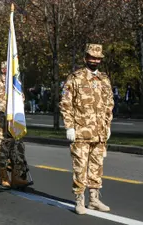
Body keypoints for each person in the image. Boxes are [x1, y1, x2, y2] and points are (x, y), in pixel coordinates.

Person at [60, 44, 114, 215]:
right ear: (85, 58)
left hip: (99, 133)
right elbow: (66, 104)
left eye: (98, 58)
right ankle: (79, 200)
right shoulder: (75, 78)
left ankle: (94, 199)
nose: (95, 60)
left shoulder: (104, 79)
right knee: (80, 167)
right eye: (92, 57)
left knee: (97, 167)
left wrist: (107, 126)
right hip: (81, 132)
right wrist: (69, 126)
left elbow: (109, 105)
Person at [0, 61, 29, 187]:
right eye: (7, 68)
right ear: (3, 70)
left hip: (14, 119)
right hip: (1, 119)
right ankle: (4, 176)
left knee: (18, 147)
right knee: (4, 147)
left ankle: (16, 176)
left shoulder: (15, 82)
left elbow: (21, 97)